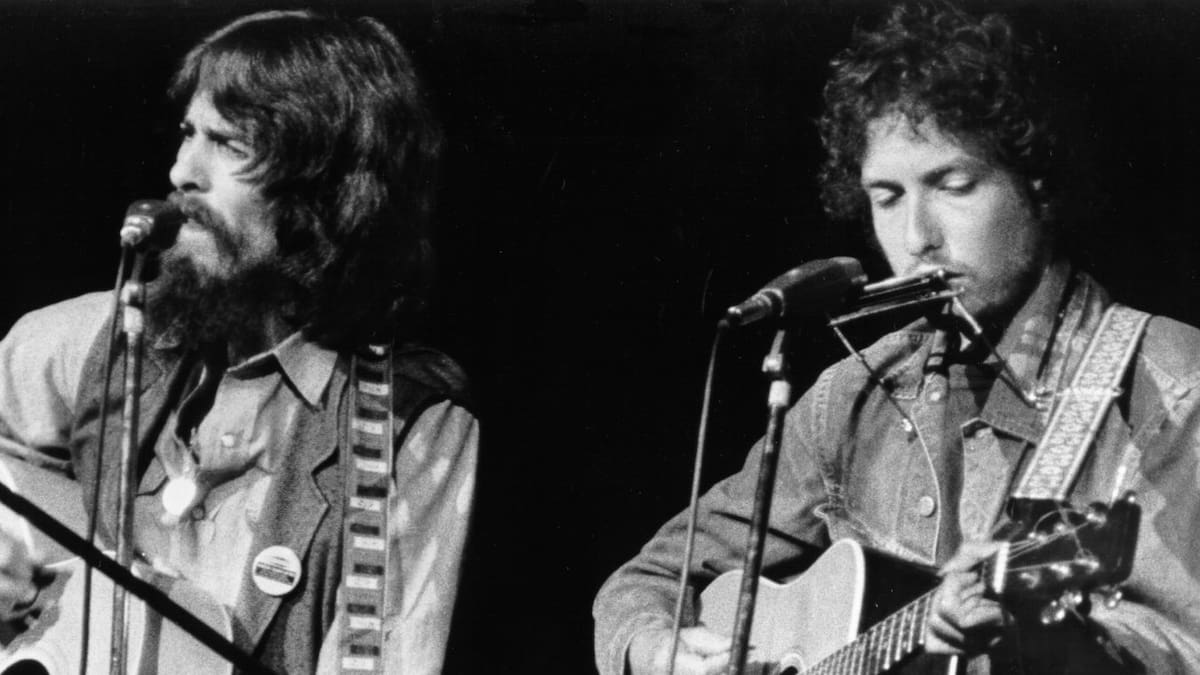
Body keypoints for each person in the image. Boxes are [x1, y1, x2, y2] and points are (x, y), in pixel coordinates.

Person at [593, 2, 1200, 673]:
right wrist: (660, 651)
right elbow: (648, 581)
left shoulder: (1171, 382)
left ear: (1037, 184)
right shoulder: (848, 398)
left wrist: (1037, 642)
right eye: (886, 198)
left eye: (954, 185)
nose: (917, 238)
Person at [0, 10, 478, 674]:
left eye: (230, 144)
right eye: (188, 133)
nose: (181, 172)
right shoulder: (85, 341)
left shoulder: (406, 431)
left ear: (328, 190)